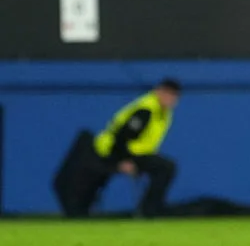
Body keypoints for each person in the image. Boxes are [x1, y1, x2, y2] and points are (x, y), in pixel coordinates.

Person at [56, 79, 181, 218]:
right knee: (166, 167)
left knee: (165, 167)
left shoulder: (164, 113)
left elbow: (145, 139)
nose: (170, 99)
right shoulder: (145, 110)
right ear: (158, 91)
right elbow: (122, 136)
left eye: (174, 96)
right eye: (167, 94)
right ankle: (149, 210)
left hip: (134, 153)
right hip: (112, 150)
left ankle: (151, 209)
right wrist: (122, 161)